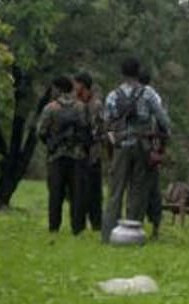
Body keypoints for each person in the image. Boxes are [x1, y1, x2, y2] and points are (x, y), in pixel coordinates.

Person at [102, 56, 171, 244]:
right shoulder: (148, 93)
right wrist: (164, 137)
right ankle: (132, 234)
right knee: (137, 191)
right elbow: (163, 119)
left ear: (122, 72)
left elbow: (106, 121)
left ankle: (108, 233)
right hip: (142, 146)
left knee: (115, 191)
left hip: (120, 145)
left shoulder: (113, 95)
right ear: (138, 71)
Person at [36, 76, 90, 234]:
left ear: (58, 89)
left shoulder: (50, 108)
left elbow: (41, 131)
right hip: (77, 156)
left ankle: (54, 227)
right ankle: (77, 228)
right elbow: (86, 128)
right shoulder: (81, 106)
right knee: (77, 195)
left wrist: (51, 144)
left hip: (56, 157)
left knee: (55, 194)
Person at [73, 71, 106, 232]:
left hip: (93, 153)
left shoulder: (96, 105)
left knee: (94, 191)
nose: (74, 87)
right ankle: (78, 225)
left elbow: (101, 129)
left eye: (76, 84)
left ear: (83, 85)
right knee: (78, 191)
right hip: (78, 153)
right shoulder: (75, 103)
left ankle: (96, 223)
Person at [138, 69, 166, 240]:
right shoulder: (156, 98)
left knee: (141, 189)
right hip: (153, 150)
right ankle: (154, 227)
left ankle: (139, 223)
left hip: (144, 149)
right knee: (152, 189)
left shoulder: (142, 98)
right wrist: (161, 151)